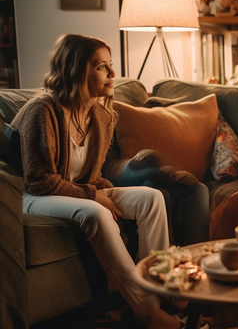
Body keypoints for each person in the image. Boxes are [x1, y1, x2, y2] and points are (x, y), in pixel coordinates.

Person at [9, 34, 184, 329]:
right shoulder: (43, 111)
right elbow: (39, 181)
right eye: (102, 66)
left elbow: (91, 176)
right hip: (32, 195)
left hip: (74, 191)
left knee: (151, 198)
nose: (113, 73)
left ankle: (162, 286)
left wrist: (95, 190)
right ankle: (146, 310)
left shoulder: (101, 116)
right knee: (98, 212)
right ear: (78, 69)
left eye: (110, 65)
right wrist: (92, 196)